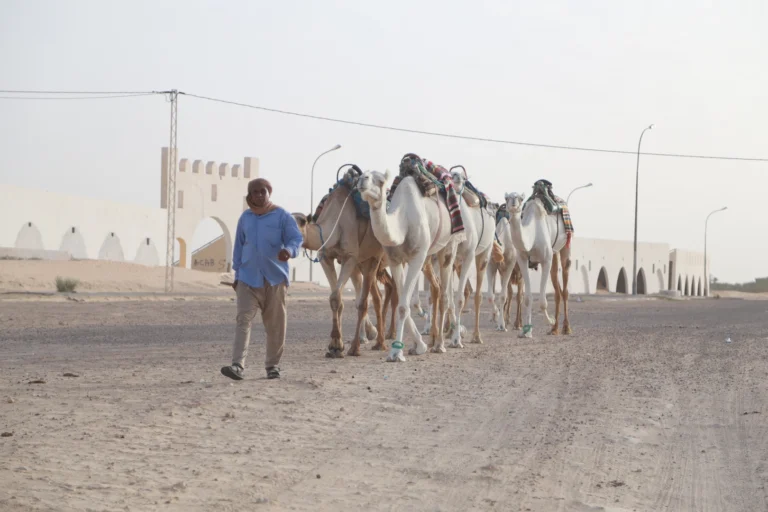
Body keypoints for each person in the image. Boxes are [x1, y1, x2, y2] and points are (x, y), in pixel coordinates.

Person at [220, 177, 303, 380]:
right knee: (243, 320)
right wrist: (238, 275)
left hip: (274, 280)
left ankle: (272, 365)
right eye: (254, 192)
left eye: (262, 191)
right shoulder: (245, 218)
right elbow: (238, 248)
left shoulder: (282, 215)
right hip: (248, 279)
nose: (258, 195)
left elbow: (296, 239)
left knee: (275, 324)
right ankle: (237, 365)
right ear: (249, 195)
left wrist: (289, 251)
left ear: (269, 193)